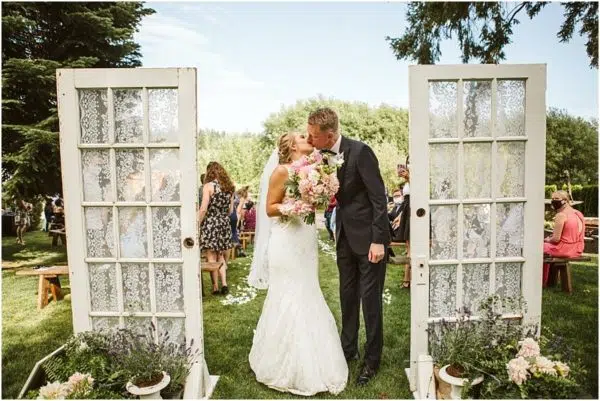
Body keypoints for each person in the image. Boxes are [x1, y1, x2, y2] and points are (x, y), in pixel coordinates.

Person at [248, 131, 348, 396]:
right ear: (292, 145)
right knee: (287, 292)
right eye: (303, 136)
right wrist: (292, 209)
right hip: (285, 238)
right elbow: (270, 207)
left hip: (305, 238)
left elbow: (317, 200)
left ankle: (316, 357)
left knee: (308, 289)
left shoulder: (314, 170)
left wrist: (317, 197)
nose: (308, 138)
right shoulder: (280, 171)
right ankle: (282, 360)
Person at [306, 107, 389, 386]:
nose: (310, 139)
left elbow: (380, 198)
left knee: (370, 301)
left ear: (329, 136)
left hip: (369, 242)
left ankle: (372, 360)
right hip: (343, 237)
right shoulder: (319, 157)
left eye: (313, 136)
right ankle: (348, 349)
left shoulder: (361, 152)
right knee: (347, 296)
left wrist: (379, 240)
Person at [198, 162, 235, 295]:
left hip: (211, 222)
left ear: (210, 172)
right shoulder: (229, 188)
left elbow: (203, 209)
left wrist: (197, 224)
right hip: (223, 223)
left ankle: (215, 287)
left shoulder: (208, 186)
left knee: (211, 256)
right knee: (220, 255)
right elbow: (230, 211)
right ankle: (224, 284)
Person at [542, 190, 585, 286]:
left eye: (556, 199)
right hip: (577, 249)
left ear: (565, 200)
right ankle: (548, 281)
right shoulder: (578, 213)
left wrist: (547, 239)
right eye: (552, 199)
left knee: (538, 249)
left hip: (563, 249)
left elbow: (556, 239)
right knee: (544, 247)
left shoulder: (560, 215)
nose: (553, 201)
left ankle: (541, 281)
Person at [394, 163, 411, 288]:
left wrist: (409, 177)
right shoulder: (407, 182)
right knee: (409, 247)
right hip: (407, 210)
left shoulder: (414, 178)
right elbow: (406, 201)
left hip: (414, 211)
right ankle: (407, 279)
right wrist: (399, 217)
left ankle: (407, 280)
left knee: (411, 248)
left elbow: (418, 194)